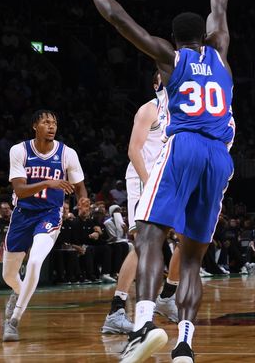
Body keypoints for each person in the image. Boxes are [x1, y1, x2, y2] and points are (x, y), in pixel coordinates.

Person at [81, 0, 236, 363]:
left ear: (174, 39)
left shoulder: (171, 58)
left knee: (149, 235)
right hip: (220, 157)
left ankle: (144, 324)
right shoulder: (220, 52)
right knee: (191, 257)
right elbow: (219, 9)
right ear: (204, 37)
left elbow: (120, 20)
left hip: (184, 144)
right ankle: (185, 344)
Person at [102, 72, 181, 335]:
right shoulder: (149, 109)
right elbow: (133, 150)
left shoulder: (182, 112)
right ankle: (117, 310)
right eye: (165, 77)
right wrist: (150, 183)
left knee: (188, 236)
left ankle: (168, 295)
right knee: (142, 246)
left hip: (167, 182)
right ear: (156, 84)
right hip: (143, 179)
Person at [2, 109, 87, 342]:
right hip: (22, 214)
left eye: (55, 123)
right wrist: (48, 182)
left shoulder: (67, 153)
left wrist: (83, 200)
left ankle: (13, 320)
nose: (52, 126)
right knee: (9, 276)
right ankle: (19, 294)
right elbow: (19, 189)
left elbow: (79, 185)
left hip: (50, 213)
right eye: (46, 122)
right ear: (35, 126)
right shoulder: (19, 151)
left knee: (36, 261)